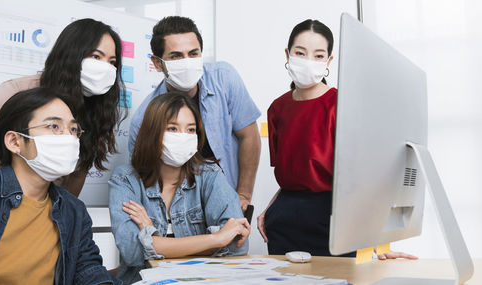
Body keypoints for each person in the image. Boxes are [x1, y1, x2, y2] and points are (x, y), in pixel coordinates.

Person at [257, 19, 418, 260]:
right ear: (288, 54)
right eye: (300, 53)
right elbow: (293, 172)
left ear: (329, 61)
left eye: (318, 55)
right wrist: (270, 210)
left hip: (332, 218)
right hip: (284, 220)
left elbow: (363, 175)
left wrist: (375, 238)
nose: (309, 60)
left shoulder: (343, 105)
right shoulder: (277, 108)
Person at [0, 87, 120, 284]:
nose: (69, 138)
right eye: (54, 127)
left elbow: (87, 269)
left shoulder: (74, 211)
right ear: (15, 141)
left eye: (73, 130)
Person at [0, 18, 126, 196]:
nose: (106, 68)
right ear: (71, 55)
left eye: (112, 62)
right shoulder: (14, 94)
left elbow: (72, 187)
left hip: (40, 215)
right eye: (96, 57)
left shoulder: (95, 111)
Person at [111, 92, 250, 284]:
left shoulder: (209, 174)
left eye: (191, 130)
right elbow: (132, 252)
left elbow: (237, 245)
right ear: (152, 132)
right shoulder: (125, 179)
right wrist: (216, 239)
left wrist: (154, 241)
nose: (183, 137)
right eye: (172, 128)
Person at [129, 16, 260, 212]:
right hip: (179, 211)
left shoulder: (224, 77)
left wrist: (243, 194)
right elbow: (142, 177)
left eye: (193, 53)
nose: (187, 62)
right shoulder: (145, 116)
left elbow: (249, 136)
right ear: (157, 63)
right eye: (176, 56)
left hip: (230, 202)